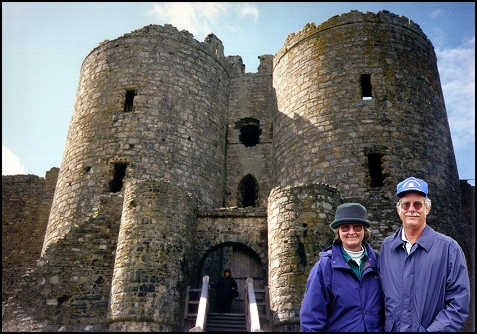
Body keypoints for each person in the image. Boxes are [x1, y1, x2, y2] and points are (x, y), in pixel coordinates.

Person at [379, 176, 470, 331]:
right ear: (399, 209)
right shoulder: (387, 248)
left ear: (427, 208)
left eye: (417, 204)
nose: (411, 209)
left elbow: (458, 304)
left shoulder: (449, 249)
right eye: (406, 204)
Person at [300, 203, 384, 331]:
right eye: (345, 227)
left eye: (357, 227)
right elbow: (311, 319)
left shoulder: (380, 263)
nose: (351, 232)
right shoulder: (324, 268)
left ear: (364, 230)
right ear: (338, 232)